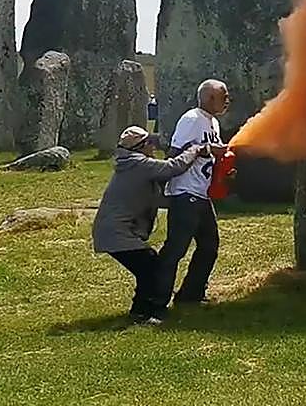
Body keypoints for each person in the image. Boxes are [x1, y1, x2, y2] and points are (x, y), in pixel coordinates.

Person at [91, 126, 214, 324]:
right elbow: (173, 167)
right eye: (149, 143)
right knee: (151, 268)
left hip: (114, 231)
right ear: (141, 147)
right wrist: (195, 150)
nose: (153, 146)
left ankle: (140, 311)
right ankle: (144, 313)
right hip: (117, 233)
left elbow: (157, 199)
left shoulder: (132, 165)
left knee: (148, 268)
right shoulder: (138, 164)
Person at [151, 79, 233, 315]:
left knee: (209, 246)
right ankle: (155, 303)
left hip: (201, 195)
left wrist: (223, 169)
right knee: (175, 250)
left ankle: (190, 295)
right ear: (209, 98)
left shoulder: (213, 123)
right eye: (223, 95)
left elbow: (208, 157)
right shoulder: (192, 120)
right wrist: (163, 188)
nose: (227, 100)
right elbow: (174, 154)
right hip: (185, 193)